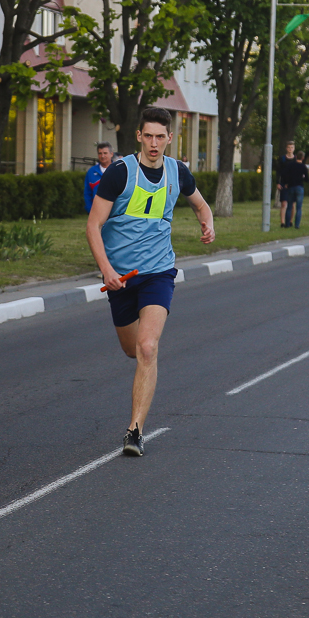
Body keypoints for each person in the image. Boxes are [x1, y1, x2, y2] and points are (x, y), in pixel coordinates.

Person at [86, 107, 215, 456]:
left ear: (170, 138)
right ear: (139, 137)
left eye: (161, 136)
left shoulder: (178, 172)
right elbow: (93, 225)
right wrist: (107, 270)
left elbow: (202, 206)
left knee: (147, 347)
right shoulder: (119, 172)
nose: (155, 143)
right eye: (149, 136)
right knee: (132, 349)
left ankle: (135, 431)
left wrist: (208, 222)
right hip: (121, 278)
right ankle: (143, 373)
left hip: (159, 272)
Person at [280, 150, 309, 228]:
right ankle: (297, 225)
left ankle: (287, 224)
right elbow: (307, 179)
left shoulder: (290, 165)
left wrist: (286, 183)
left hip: (291, 187)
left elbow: (285, 175)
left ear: (296, 156)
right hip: (299, 187)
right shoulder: (303, 167)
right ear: (303, 158)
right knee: (298, 207)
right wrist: (302, 178)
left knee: (289, 206)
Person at [84, 142, 114, 213]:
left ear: (111, 154)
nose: (102, 156)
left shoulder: (118, 170)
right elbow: (87, 193)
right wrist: (90, 209)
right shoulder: (91, 172)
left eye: (105, 153)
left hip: (114, 213)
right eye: (100, 153)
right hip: (96, 212)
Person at [276, 141, 297, 226]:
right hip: (283, 183)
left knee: (292, 204)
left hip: (293, 184)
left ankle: (291, 221)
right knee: (284, 203)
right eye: (289, 147)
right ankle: (282, 222)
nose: (290, 149)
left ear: (294, 149)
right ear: (286, 148)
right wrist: (278, 183)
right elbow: (278, 172)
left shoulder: (296, 159)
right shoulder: (282, 159)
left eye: (292, 148)